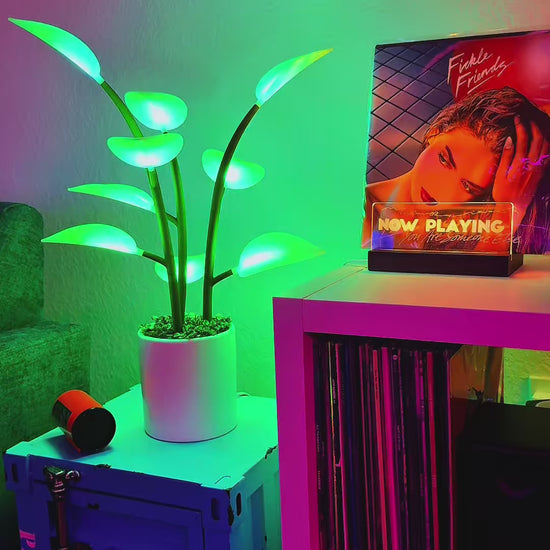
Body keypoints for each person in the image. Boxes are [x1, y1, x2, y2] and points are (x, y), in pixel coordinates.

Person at [362, 87, 550, 253]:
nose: (441, 189)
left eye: (468, 187)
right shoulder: (361, 210)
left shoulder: (470, 230)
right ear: (435, 133)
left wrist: (509, 210)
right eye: (444, 160)